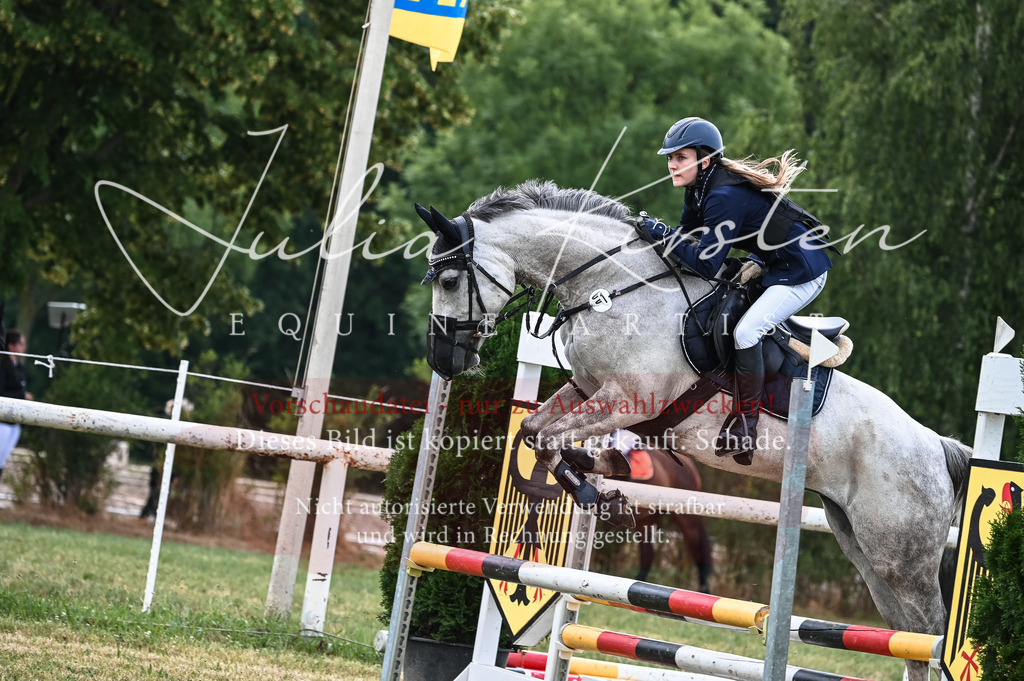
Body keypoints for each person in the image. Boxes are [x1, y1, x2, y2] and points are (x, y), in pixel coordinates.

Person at [646, 117, 834, 464]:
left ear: (704, 160)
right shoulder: (699, 187)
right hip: (773, 262)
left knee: (747, 332)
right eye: (669, 158)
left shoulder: (722, 195)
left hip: (802, 271)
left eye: (679, 158)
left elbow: (703, 262)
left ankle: (747, 427)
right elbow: (687, 235)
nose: (671, 164)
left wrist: (660, 233)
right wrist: (659, 235)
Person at [0, 330, 33, 481]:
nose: (24, 347)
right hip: (3, 422)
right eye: (21, 344)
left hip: (15, 422)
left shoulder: (19, 367)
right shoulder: (2, 365)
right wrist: (22, 396)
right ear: (11, 346)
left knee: (3, 460)